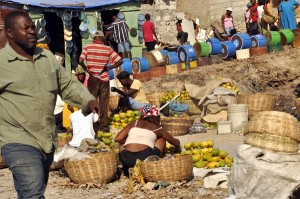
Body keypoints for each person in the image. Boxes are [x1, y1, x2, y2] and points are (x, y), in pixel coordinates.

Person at [0, 11, 99, 198]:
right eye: (25, 28)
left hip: (46, 139)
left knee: (34, 190)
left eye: (32, 27)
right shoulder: (2, 63)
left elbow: (67, 84)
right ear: (10, 33)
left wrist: (88, 99)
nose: (31, 31)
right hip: (17, 139)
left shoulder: (46, 57)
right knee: (32, 191)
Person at [115, 104, 180, 173]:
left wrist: (129, 141)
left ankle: (127, 166)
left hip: (126, 158)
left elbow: (118, 139)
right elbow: (176, 143)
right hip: (145, 158)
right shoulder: (158, 128)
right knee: (162, 139)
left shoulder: (134, 123)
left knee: (122, 145)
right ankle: (151, 163)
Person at [79, 30, 123, 132]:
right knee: (104, 103)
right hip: (104, 79)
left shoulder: (87, 47)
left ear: (94, 39)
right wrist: (109, 67)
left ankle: (92, 126)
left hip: (93, 78)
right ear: (103, 39)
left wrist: (86, 69)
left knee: (91, 102)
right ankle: (103, 126)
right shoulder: (108, 49)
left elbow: (80, 60)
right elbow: (120, 61)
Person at [68, 66, 99, 147]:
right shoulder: (74, 85)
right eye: (79, 75)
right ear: (77, 76)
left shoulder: (88, 84)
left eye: (82, 74)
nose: (80, 76)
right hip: (78, 108)